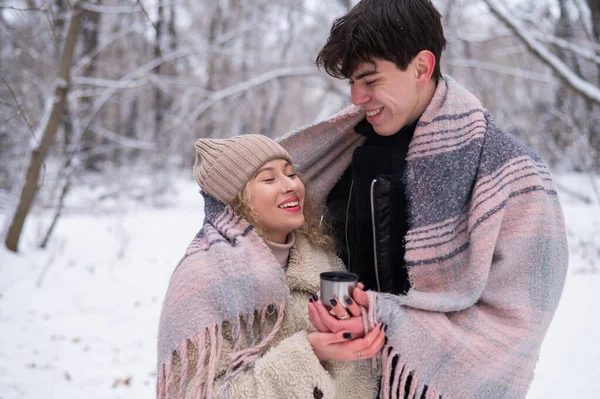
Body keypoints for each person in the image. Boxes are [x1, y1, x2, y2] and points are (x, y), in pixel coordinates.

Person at [278, 1, 569, 398]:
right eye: (351, 83)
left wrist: (386, 320)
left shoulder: (512, 176)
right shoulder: (336, 159)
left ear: (421, 67)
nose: (356, 97)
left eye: (370, 80)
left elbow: (518, 318)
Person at [156, 134, 384, 399]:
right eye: (269, 178)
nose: (290, 185)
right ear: (235, 200)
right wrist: (307, 353)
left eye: (291, 173)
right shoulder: (203, 279)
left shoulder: (323, 261)